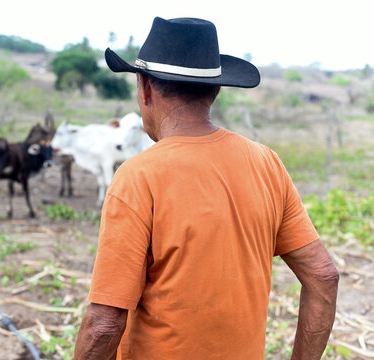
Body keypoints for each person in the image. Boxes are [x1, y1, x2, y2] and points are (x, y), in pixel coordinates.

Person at [74, 17, 339, 360]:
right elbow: (324, 276)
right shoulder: (265, 163)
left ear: (145, 89)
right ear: (215, 90)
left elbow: (105, 325)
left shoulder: (139, 175)